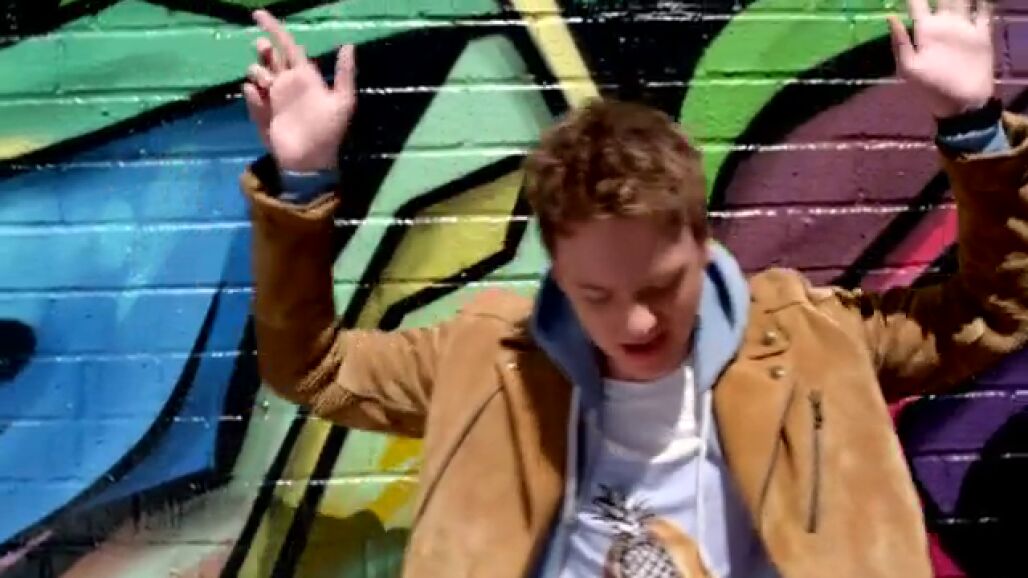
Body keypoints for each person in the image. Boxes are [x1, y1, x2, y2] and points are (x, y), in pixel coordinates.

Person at [239, 0, 1027, 576]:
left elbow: (991, 314)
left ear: (702, 243)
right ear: (557, 269)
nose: (637, 322)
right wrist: (304, 182)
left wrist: (972, 127)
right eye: (598, 295)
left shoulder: (813, 340)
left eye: (660, 286)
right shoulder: (488, 361)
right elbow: (312, 366)